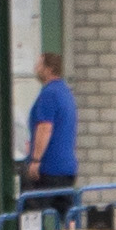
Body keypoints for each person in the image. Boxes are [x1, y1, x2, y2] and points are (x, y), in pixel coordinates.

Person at [17, 48, 80, 221]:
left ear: (49, 69)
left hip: (48, 169)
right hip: (67, 168)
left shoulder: (49, 94)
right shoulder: (65, 92)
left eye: (39, 65)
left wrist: (36, 159)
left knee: (32, 215)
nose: (35, 68)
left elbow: (45, 127)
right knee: (67, 214)